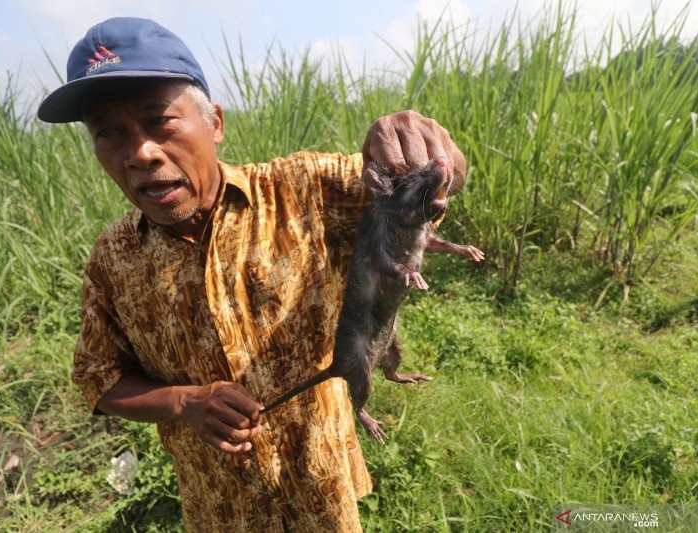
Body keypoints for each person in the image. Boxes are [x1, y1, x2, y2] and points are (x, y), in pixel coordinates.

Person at [38, 16, 478, 532]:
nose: (140, 152)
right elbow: (99, 380)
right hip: (219, 505)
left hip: (322, 488)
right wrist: (184, 403)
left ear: (216, 124)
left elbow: (431, 189)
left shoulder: (305, 191)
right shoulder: (112, 259)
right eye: (109, 132)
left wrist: (421, 142)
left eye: (160, 121)